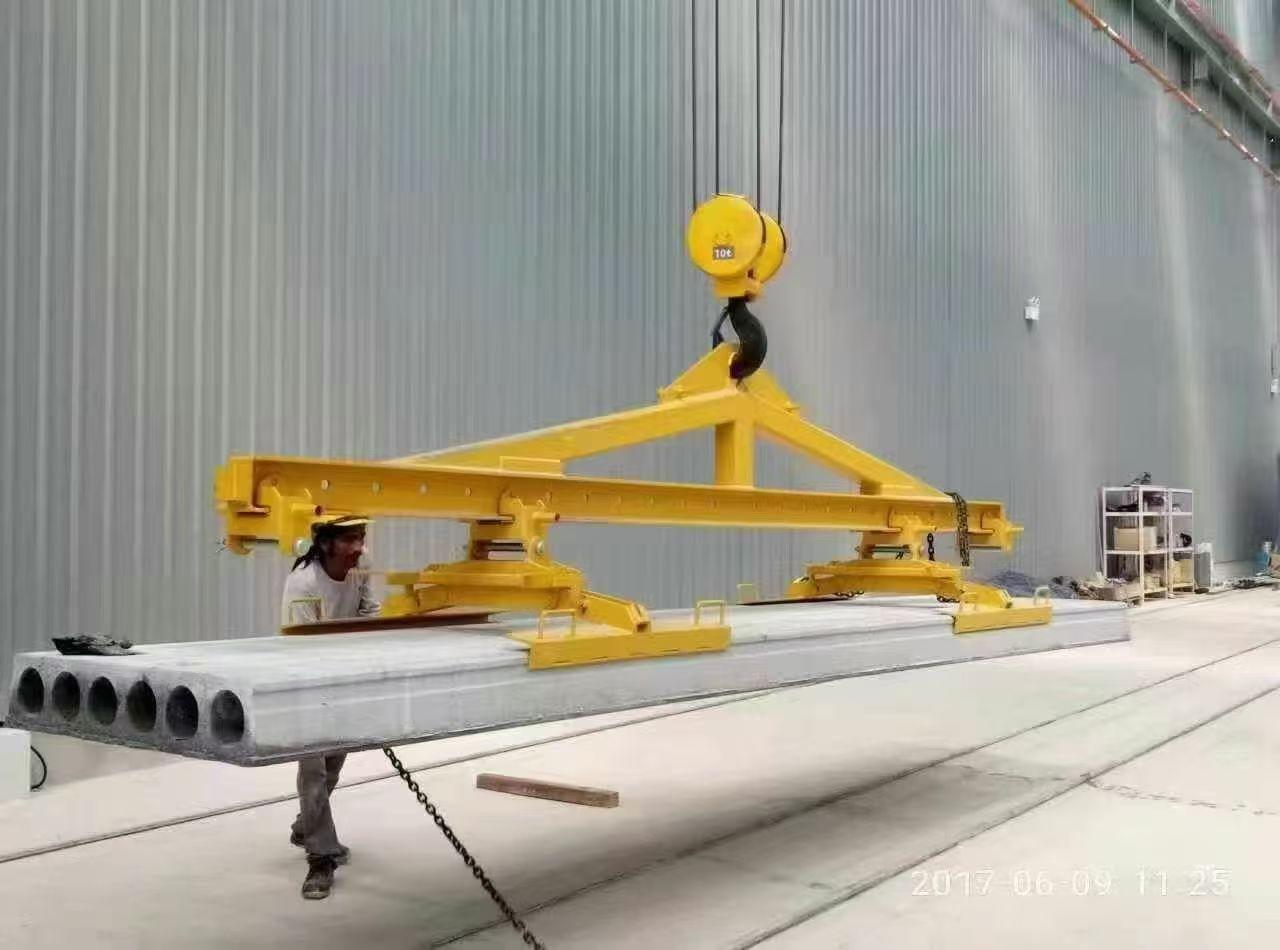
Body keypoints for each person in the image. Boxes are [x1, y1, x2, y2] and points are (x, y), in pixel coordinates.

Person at [280, 513, 380, 900]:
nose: (359, 547)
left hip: (345, 676)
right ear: (325, 544)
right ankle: (321, 857)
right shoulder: (304, 582)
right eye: (350, 539)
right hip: (307, 680)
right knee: (314, 770)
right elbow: (302, 644)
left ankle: (305, 826)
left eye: (361, 537)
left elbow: (370, 613)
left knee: (334, 763)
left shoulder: (359, 570)